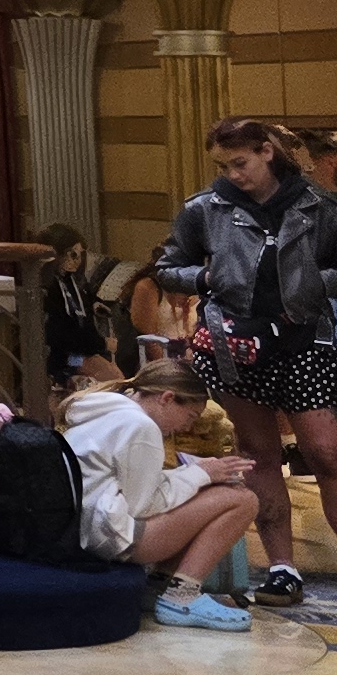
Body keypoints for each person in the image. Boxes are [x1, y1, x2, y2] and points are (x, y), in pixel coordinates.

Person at [151, 114, 337, 606]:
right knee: (258, 452)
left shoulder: (321, 206)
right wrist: (202, 279)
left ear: (267, 151)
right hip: (236, 343)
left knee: (327, 454)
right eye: (223, 165)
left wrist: (311, 284)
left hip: (306, 342)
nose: (232, 174)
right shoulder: (205, 208)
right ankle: (283, 569)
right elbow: (166, 268)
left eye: (240, 163)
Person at [50, 361, 260, 629]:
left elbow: (133, 487)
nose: (186, 428)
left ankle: (158, 587)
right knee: (241, 500)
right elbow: (141, 507)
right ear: (167, 398)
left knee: (207, 489)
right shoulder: (141, 426)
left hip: (87, 530)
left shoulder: (111, 410)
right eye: (190, 417)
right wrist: (201, 475)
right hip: (110, 537)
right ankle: (180, 597)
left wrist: (198, 475)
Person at [34, 221, 112, 391]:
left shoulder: (72, 282)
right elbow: (61, 335)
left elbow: (85, 308)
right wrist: (102, 344)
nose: (77, 261)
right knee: (113, 379)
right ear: (57, 255)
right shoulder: (48, 289)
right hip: (63, 357)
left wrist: (95, 304)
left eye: (79, 254)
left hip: (79, 350)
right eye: (72, 254)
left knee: (114, 375)